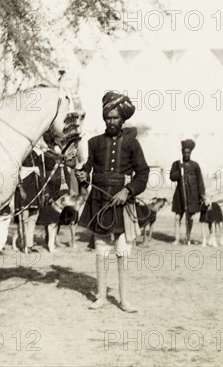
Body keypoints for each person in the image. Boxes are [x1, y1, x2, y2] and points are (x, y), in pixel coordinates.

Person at [75, 91, 150, 313]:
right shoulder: (94, 142)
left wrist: (128, 191)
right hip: (99, 202)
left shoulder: (132, 144)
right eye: (108, 117)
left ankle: (124, 299)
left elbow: (143, 173)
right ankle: (101, 297)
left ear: (123, 119)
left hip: (123, 205)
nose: (111, 121)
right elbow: (89, 166)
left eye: (115, 117)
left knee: (123, 250)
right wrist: (82, 175)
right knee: (101, 250)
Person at [170, 139, 205, 246]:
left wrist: (202, 195)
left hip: (192, 196)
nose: (186, 154)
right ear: (182, 152)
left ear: (190, 153)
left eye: (188, 153)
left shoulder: (195, 165)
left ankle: (187, 237)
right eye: (184, 152)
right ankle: (176, 239)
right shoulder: (176, 164)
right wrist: (178, 170)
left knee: (190, 218)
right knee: (177, 217)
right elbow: (172, 177)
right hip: (180, 195)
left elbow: (200, 181)